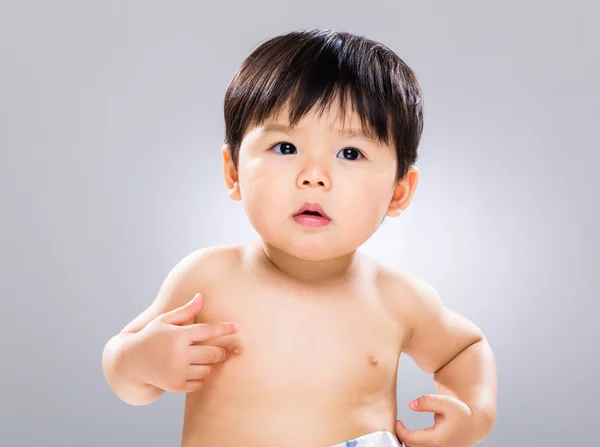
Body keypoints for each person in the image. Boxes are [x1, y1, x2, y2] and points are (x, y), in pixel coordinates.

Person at [102, 28, 498, 447]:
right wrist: (141, 360)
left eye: (350, 153)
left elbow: (465, 347)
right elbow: (124, 373)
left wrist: (475, 414)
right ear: (233, 171)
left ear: (399, 192)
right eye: (285, 147)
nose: (313, 176)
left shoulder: (397, 298)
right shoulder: (208, 278)